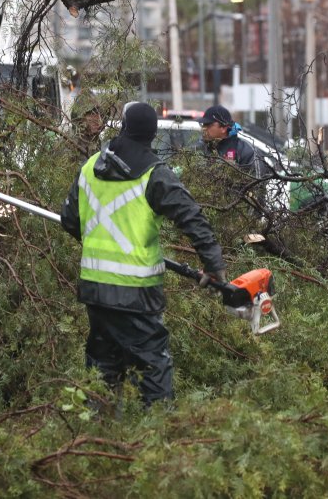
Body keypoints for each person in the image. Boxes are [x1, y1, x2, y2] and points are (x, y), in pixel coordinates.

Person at [61, 102, 227, 406]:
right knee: (153, 365)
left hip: (95, 288)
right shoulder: (155, 175)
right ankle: (157, 437)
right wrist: (214, 266)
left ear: (123, 127)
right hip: (136, 293)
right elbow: (193, 218)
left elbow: (70, 220)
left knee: (102, 366)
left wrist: (100, 247)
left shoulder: (90, 168)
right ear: (152, 135)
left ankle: (98, 436)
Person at [197, 104, 261, 176]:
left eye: (208, 125)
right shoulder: (199, 150)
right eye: (203, 125)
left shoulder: (246, 151)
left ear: (224, 128)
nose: (204, 129)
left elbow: (258, 183)